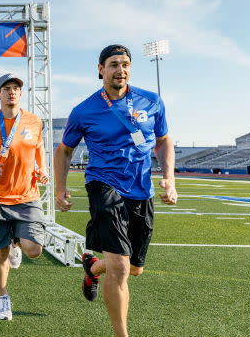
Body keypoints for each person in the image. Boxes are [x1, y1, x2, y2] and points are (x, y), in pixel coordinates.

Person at [54, 45, 178, 337]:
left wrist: (169, 178)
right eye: (113, 65)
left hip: (141, 190)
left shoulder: (152, 101)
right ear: (101, 69)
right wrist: (60, 189)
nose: (120, 70)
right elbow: (64, 150)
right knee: (120, 268)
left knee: (134, 269)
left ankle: (93, 268)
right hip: (103, 183)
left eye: (125, 64)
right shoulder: (84, 110)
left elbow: (163, 141)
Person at [0, 73, 49, 321]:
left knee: (34, 249)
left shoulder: (34, 121)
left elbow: (39, 147)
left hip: (27, 195)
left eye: (15, 88)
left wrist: (42, 168)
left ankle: (18, 242)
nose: (12, 91)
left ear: (20, 93)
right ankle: (3, 297)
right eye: (6, 88)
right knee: (0, 253)